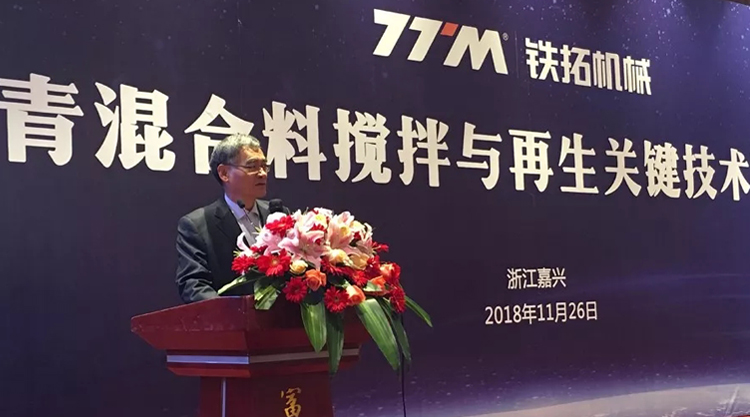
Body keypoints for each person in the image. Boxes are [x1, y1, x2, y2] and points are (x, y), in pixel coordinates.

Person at [176, 133, 279, 303]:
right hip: (233, 317)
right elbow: (193, 285)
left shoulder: (277, 214)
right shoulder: (198, 225)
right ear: (224, 173)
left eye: (264, 166)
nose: (262, 173)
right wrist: (233, 312)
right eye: (252, 166)